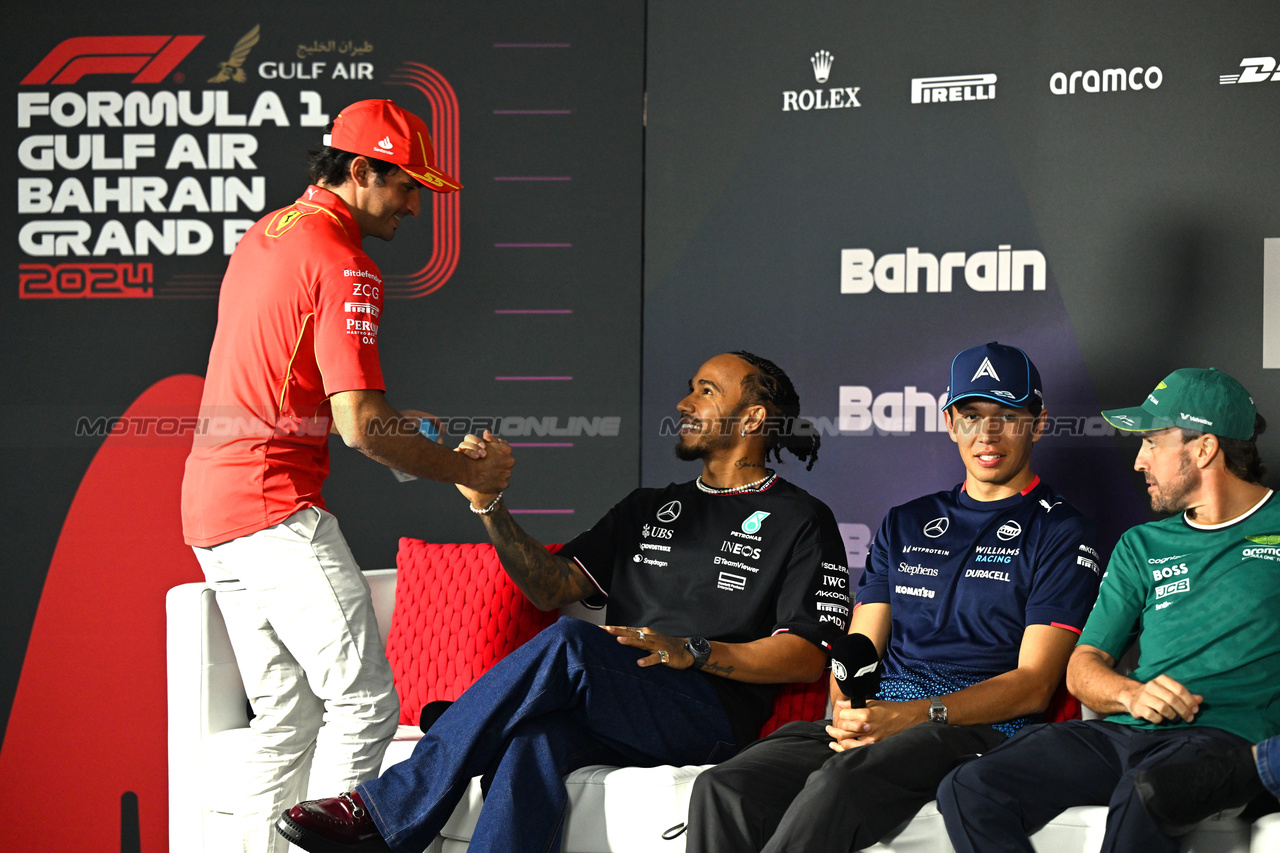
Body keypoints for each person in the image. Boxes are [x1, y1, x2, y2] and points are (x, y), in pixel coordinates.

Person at [275, 351, 849, 853]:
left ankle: (386, 810)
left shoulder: (800, 519)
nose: (684, 401)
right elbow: (551, 587)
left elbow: (806, 656)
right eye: (690, 387)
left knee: (573, 644)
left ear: (753, 417)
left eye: (706, 391)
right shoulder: (649, 506)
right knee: (533, 742)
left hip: (708, 712)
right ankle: (471, 733)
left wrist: (694, 650)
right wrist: (489, 506)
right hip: (618, 694)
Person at [181, 99, 514, 853]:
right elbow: (360, 426)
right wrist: (465, 470)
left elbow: (318, 397)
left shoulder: (270, 232)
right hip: (271, 505)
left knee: (287, 716)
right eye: (405, 185)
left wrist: (419, 430)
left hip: (211, 507)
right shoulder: (346, 262)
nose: (415, 205)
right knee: (364, 703)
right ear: (360, 170)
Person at [684, 341, 1102, 853]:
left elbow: (1035, 685)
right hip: (881, 716)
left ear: (1038, 424)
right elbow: (859, 647)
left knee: (838, 784)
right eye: (971, 415)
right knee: (724, 786)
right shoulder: (904, 520)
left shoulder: (1063, 530)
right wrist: (848, 712)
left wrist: (913, 716)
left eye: (1007, 416)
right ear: (949, 423)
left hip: (977, 731)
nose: (987, 435)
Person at [937, 367, 1280, 853]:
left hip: (1222, 740)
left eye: (1153, 441)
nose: (1139, 460)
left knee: (1146, 794)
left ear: (1203, 449)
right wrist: (1130, 695)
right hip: (1127, 731)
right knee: (969, 785)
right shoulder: (1142, 544)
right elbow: (1082, 668)